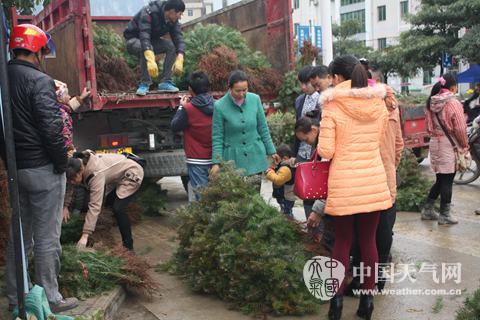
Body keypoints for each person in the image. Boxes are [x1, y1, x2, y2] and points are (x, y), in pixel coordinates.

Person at [4, 24, 78, 313]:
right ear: (35, 50)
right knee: (47, 238)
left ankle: (17, 297)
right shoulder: (40, 81)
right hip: (43, 169)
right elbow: (52, 129)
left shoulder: (3, 78)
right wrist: (62, 164)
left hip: (16, 169)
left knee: (19, 237)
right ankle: (50, 297)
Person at [317, 55, 392, 320]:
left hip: (345, 182)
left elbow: (326, 150)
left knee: (342, 242)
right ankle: (367, 302)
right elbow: (380, 139)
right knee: (369, 241)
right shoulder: (378, 103)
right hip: (373, 180)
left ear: (337, 78)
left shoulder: (333, 105)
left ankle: (336, 304)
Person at [211, 70, 278, 189]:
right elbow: (217, 137)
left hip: (255, 156)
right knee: (237, 199)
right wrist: (216, 162)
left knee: (254, 198)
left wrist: (271, 151)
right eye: (238, 91)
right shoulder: (219, 106)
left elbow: (263, 127)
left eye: (245, 90)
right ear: (230, 88)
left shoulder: (255, 99)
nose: (242, 94)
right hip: (232, 159)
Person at [64, 151, 144, 250]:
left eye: (73, 179)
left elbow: (94, 206)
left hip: (132, 173)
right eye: (70, 179)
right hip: (117, 175)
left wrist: (85, 235)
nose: (72, 182)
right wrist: (65, 206)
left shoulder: (95, 174)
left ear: (81, 171)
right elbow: (70, 185)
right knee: (109, 203)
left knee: (118, 209)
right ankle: (111, 227)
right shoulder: (76, 162)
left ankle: (128, 247)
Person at [421, 74, 469, 225]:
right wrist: (464, 145)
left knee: (441, 178)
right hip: (448, 144)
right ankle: (445, 215)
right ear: (453, 87)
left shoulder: (431, 102)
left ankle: (428, 210)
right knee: (447, 179)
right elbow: (460, 128)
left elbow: (428, 127)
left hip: (435, 143)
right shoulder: (453, 103)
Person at [124, 0, 186, 95]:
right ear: (172, 11)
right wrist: (149, 55)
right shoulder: (149, 12)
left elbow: (178, 38)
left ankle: (165, 82)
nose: (180, 17)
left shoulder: (173, 20)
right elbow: (144, 34)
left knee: (171, 46)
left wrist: (180, 56)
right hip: (132, 40)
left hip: (150, 41)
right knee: (146, 47)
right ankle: (145, 83)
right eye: (180, 14)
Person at [171, 71, 215, 200]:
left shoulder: (188, 109)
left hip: (197, 160)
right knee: (218, 195)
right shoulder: (218, 105)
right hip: (216, 159)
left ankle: (205, 219)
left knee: (202, 197)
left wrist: (181, 107)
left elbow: (175, 126)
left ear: (190, 89)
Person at [54, 80, 91, 156]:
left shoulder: (57, 108)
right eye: (67, 95)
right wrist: (70, 150)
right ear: (60, 98)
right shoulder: (62, 115)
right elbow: (65, 135)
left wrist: (81, 97)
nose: (69, 96)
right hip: (64, 151)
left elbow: (68, 107)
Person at [265, 144, 296, 217]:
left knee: (286, 215)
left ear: (284, 158)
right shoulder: (284, 165)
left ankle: (289, 225)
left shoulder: (286, 168)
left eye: (277, 158)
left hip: (285, 198)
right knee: (285, 213)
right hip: (285, 197)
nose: (275, 160)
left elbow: (278, 180)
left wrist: (269, 172)